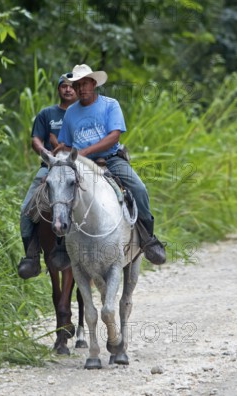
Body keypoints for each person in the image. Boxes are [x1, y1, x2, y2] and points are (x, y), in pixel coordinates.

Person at [58, 64, 166, 265]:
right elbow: (65, 142)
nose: (81, 88)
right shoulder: (71, 113)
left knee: (139, 189)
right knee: (57, 193)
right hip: (80, 165)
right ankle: (61, 246)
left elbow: (114, 135)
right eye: (78, 84)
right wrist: (57, 153)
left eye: (85, 84)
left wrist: (85, 151)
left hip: (110, 159)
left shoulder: (110, 105)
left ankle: (147, 239)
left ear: (94, 83)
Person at [18, 73, 78, 279]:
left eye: (72, 86)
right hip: (50, 167)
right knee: (27, 209)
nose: (68, 89)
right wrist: (45, 153)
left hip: (80, 165)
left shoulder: (84, 113)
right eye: (64, 86)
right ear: (58, 89)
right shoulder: (47, 114)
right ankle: (32, 256)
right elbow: (36, 138)